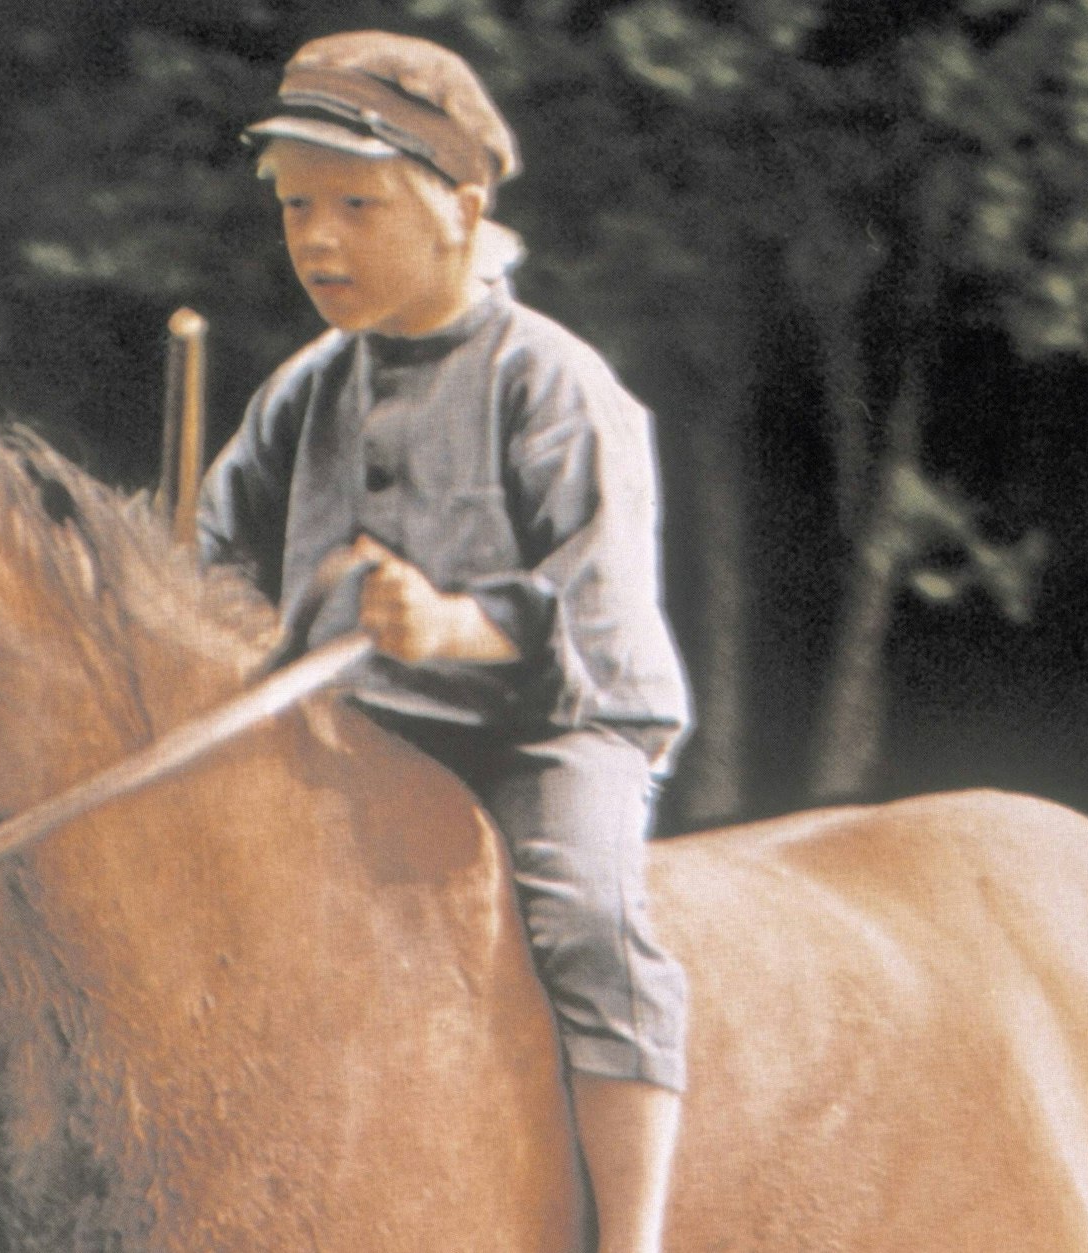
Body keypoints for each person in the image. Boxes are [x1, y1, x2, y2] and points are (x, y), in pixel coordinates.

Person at [196, 30, 691, 1253]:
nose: (317, 240)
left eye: (355, 206)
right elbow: (209, 557)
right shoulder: (305, 386)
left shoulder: (552, 383)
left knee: (584, 914)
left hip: (549, 724)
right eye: (295, 206)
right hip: (365, 728)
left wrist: (449, 624)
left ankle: (630, 1230)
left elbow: (593, 605)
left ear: (461, 211)